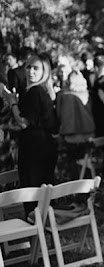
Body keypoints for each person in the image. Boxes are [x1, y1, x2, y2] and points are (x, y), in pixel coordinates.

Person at [4, 53, 58, 214]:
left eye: (36, 68)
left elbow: (24, 122)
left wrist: (11, 101)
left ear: (44, 71)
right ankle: (45, 226)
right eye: (28, 67)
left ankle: (38, 228)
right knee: (43, 189)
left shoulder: (35, 91)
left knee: (33, 190)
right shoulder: (39, 91)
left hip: (35, 148)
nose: (31, 71)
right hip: (42, 144)